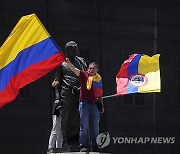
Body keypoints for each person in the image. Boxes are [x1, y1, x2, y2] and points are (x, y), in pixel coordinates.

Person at [48, 41, 87, 152]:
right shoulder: (62, 64)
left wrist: (82, 88)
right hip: (66, 95)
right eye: (72, 49)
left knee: (79, 118)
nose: (75, 51)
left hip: (79, 94)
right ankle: (65, 142)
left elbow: (85, 77)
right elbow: (57, 83)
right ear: (68, 51)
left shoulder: (81, 61)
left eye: (75, 49)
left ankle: (77, 141)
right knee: (64, 121)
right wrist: (57, 98)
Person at [65, 58, 104, 152]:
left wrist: (101, 105)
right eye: (90, 68)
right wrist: (69, 63)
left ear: (97, 70)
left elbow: (100, 94)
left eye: (93, 68)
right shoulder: (84, 74)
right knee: (84, 126)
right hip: (84, 104)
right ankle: (83, 145)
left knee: (95, 127)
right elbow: (74, 70)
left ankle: (95, 145)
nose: (91, 70)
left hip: (94, 104)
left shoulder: (98, 79)